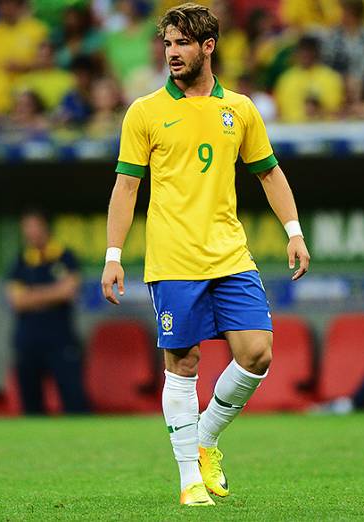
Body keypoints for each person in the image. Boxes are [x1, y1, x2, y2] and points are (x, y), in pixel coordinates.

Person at [100, 3, 310, 507]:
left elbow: (269, 172)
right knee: (184, 362)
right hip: (173, 259)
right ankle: (189, 480)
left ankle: (205, 439)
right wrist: (113, 255)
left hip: (230, 254)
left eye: (182, 44)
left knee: (257, 352)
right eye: (167, 44)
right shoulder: (145, 111)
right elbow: (126, 188)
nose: (171, 53)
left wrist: (294, 231)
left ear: (207, 46)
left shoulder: (238, 108)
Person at [5, 210, 89, 415]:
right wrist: (53, 293)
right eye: (27, 227)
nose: (32, 232)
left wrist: (31, 294)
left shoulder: (65, 256)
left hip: (61, 339)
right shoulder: (20, 261)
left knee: (74, 400)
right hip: (28, 340)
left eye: (35, 226)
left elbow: (69, 290)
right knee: (30, 404)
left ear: (45, 227)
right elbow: (16, 301)